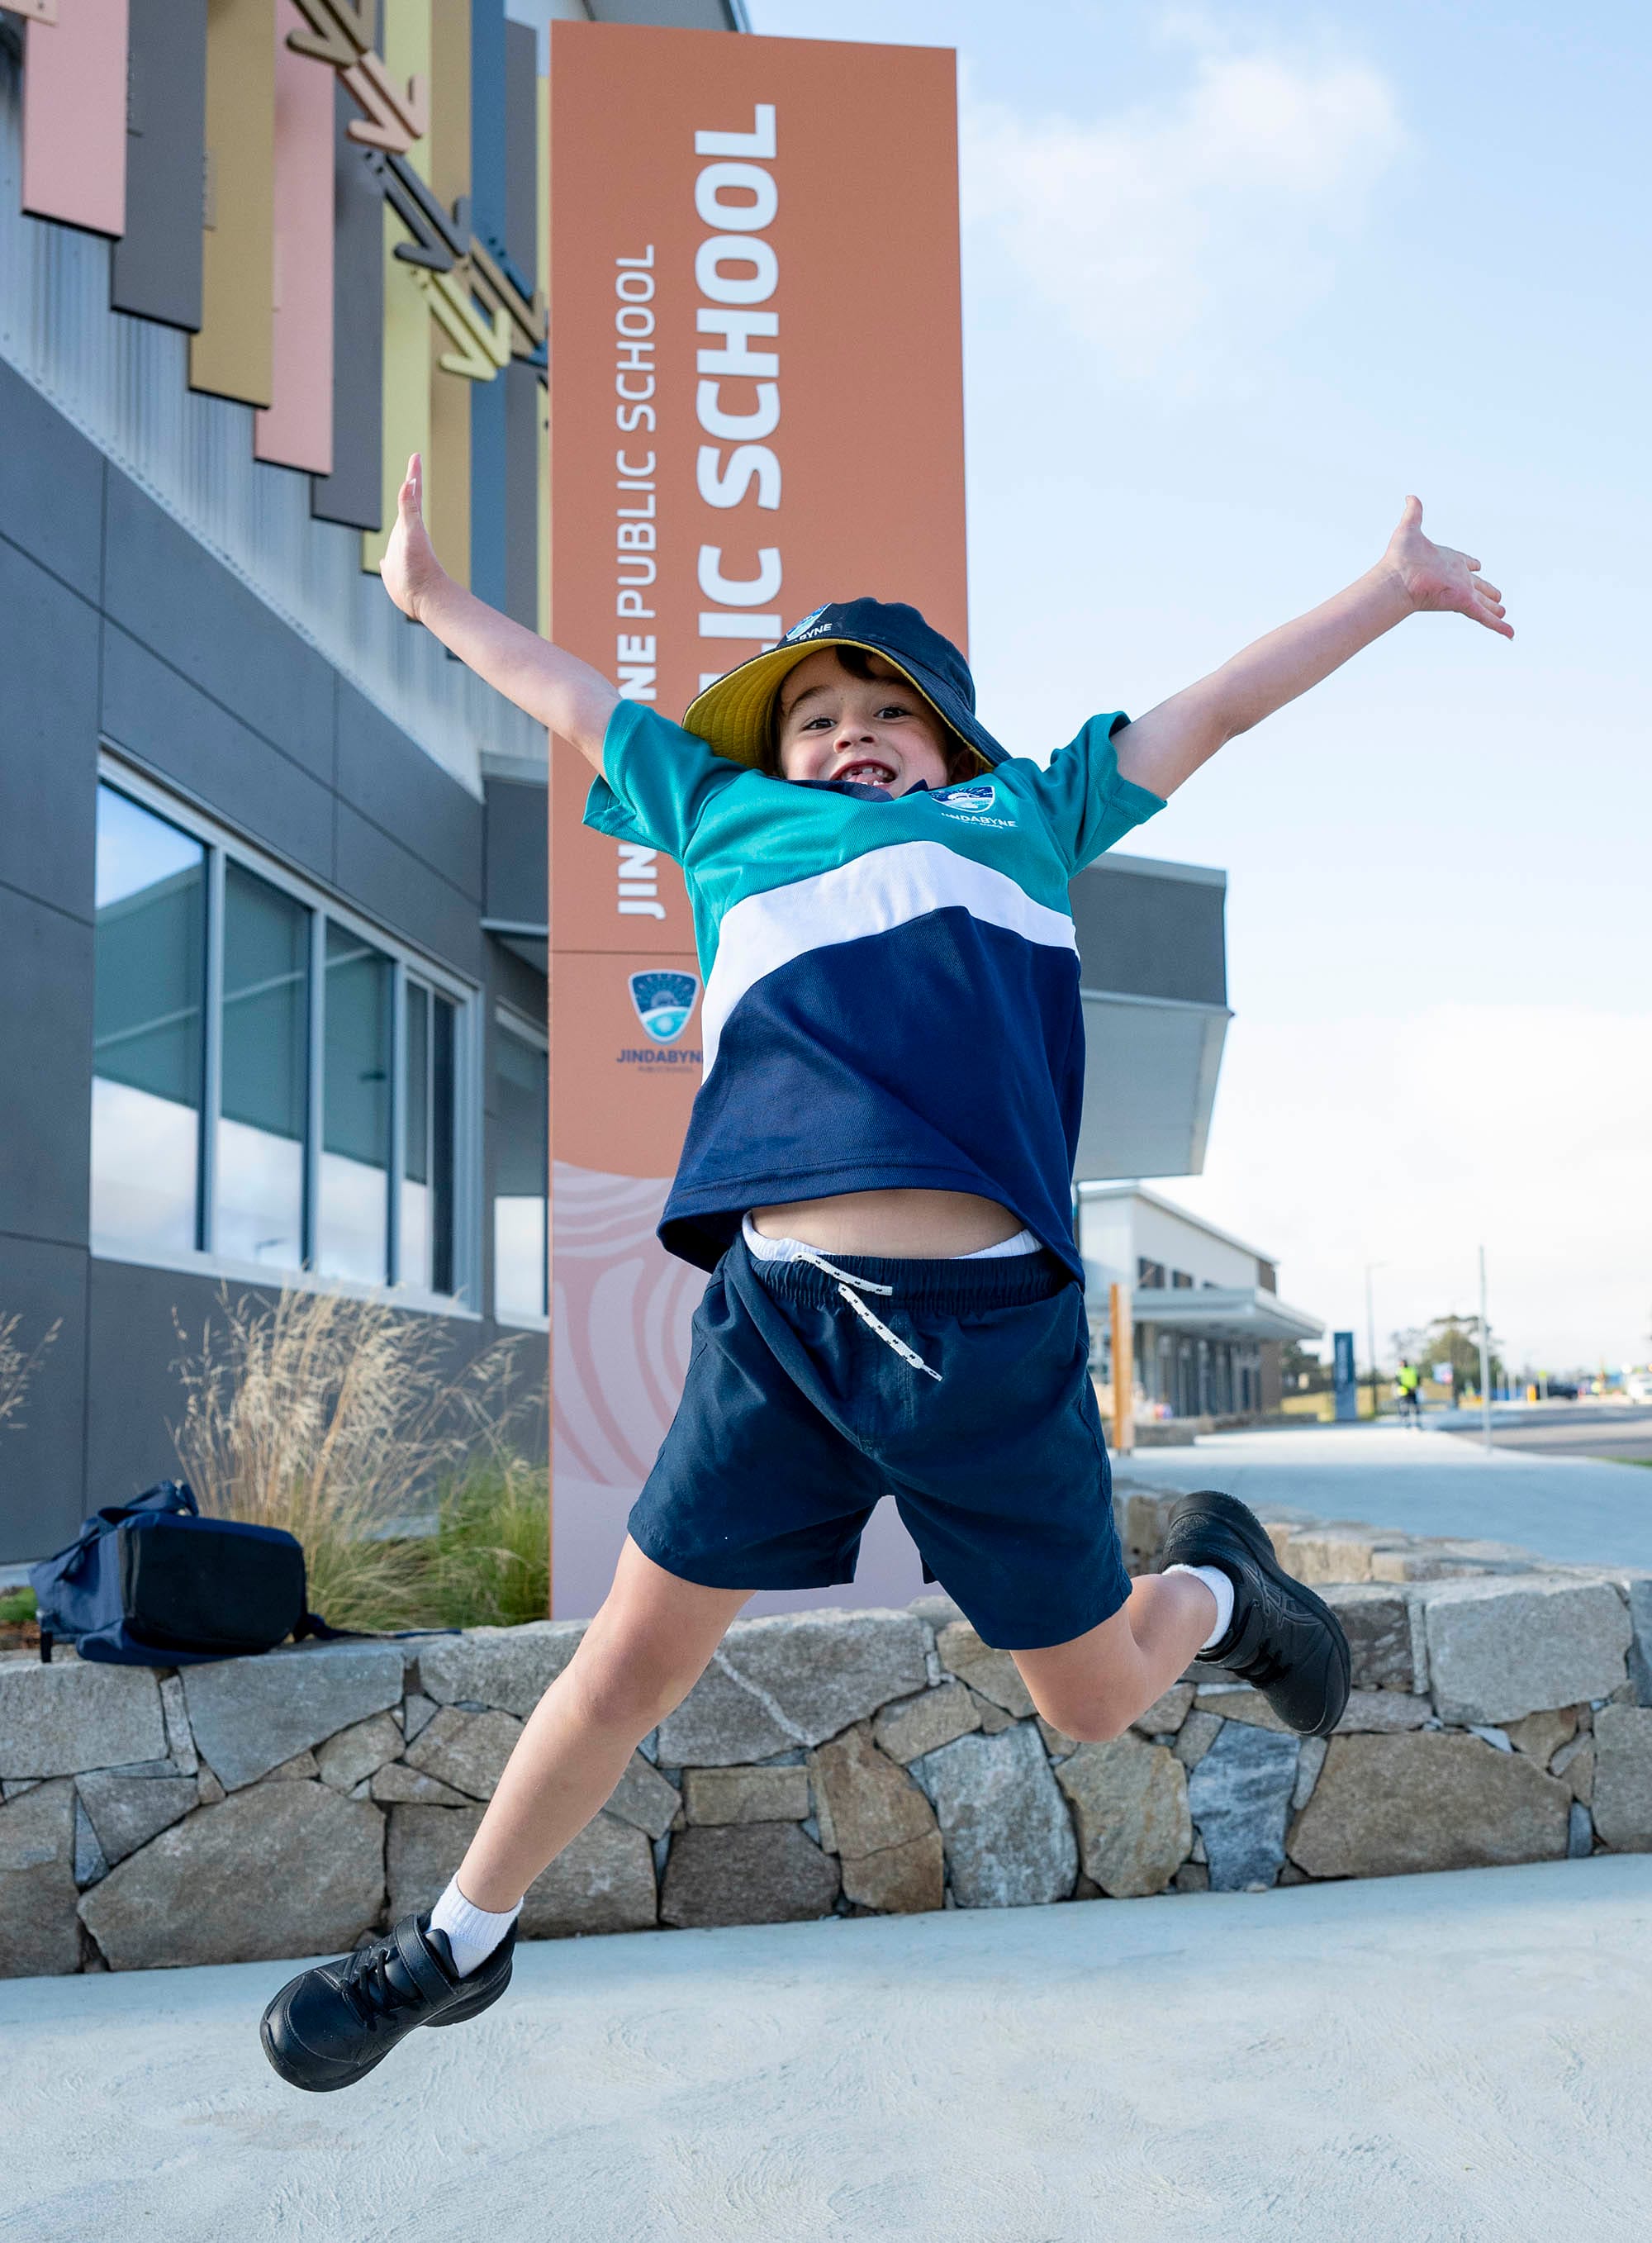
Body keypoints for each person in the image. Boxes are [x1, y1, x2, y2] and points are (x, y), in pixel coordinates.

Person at [261, 463, 1510, 2090]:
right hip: (781, 1333)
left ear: (949, 745)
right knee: (627, 1662)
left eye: (888, 713)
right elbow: (572, 695)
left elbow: (1211, 707)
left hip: (993, 1348)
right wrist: (429, 595)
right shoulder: (721, 815)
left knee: (1086, 1701)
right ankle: (452, 1943)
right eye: (815, 714)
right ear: (768, 755)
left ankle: (1221, 1593)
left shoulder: (1024, 815)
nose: (850, 732)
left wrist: (1384, 587)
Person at [1395, 1358, 1423, 1426]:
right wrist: (1406, 1387)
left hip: (1413, 1390)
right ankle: (1407, 1422)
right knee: (1405, 1406)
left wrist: (1416, 1386)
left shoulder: (1413, 1369)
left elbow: (1418, 1378)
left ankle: (1418, 1422)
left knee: (1415, 1406)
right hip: (1404, 1391)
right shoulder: (1399, 1371)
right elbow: (1398, 1381)